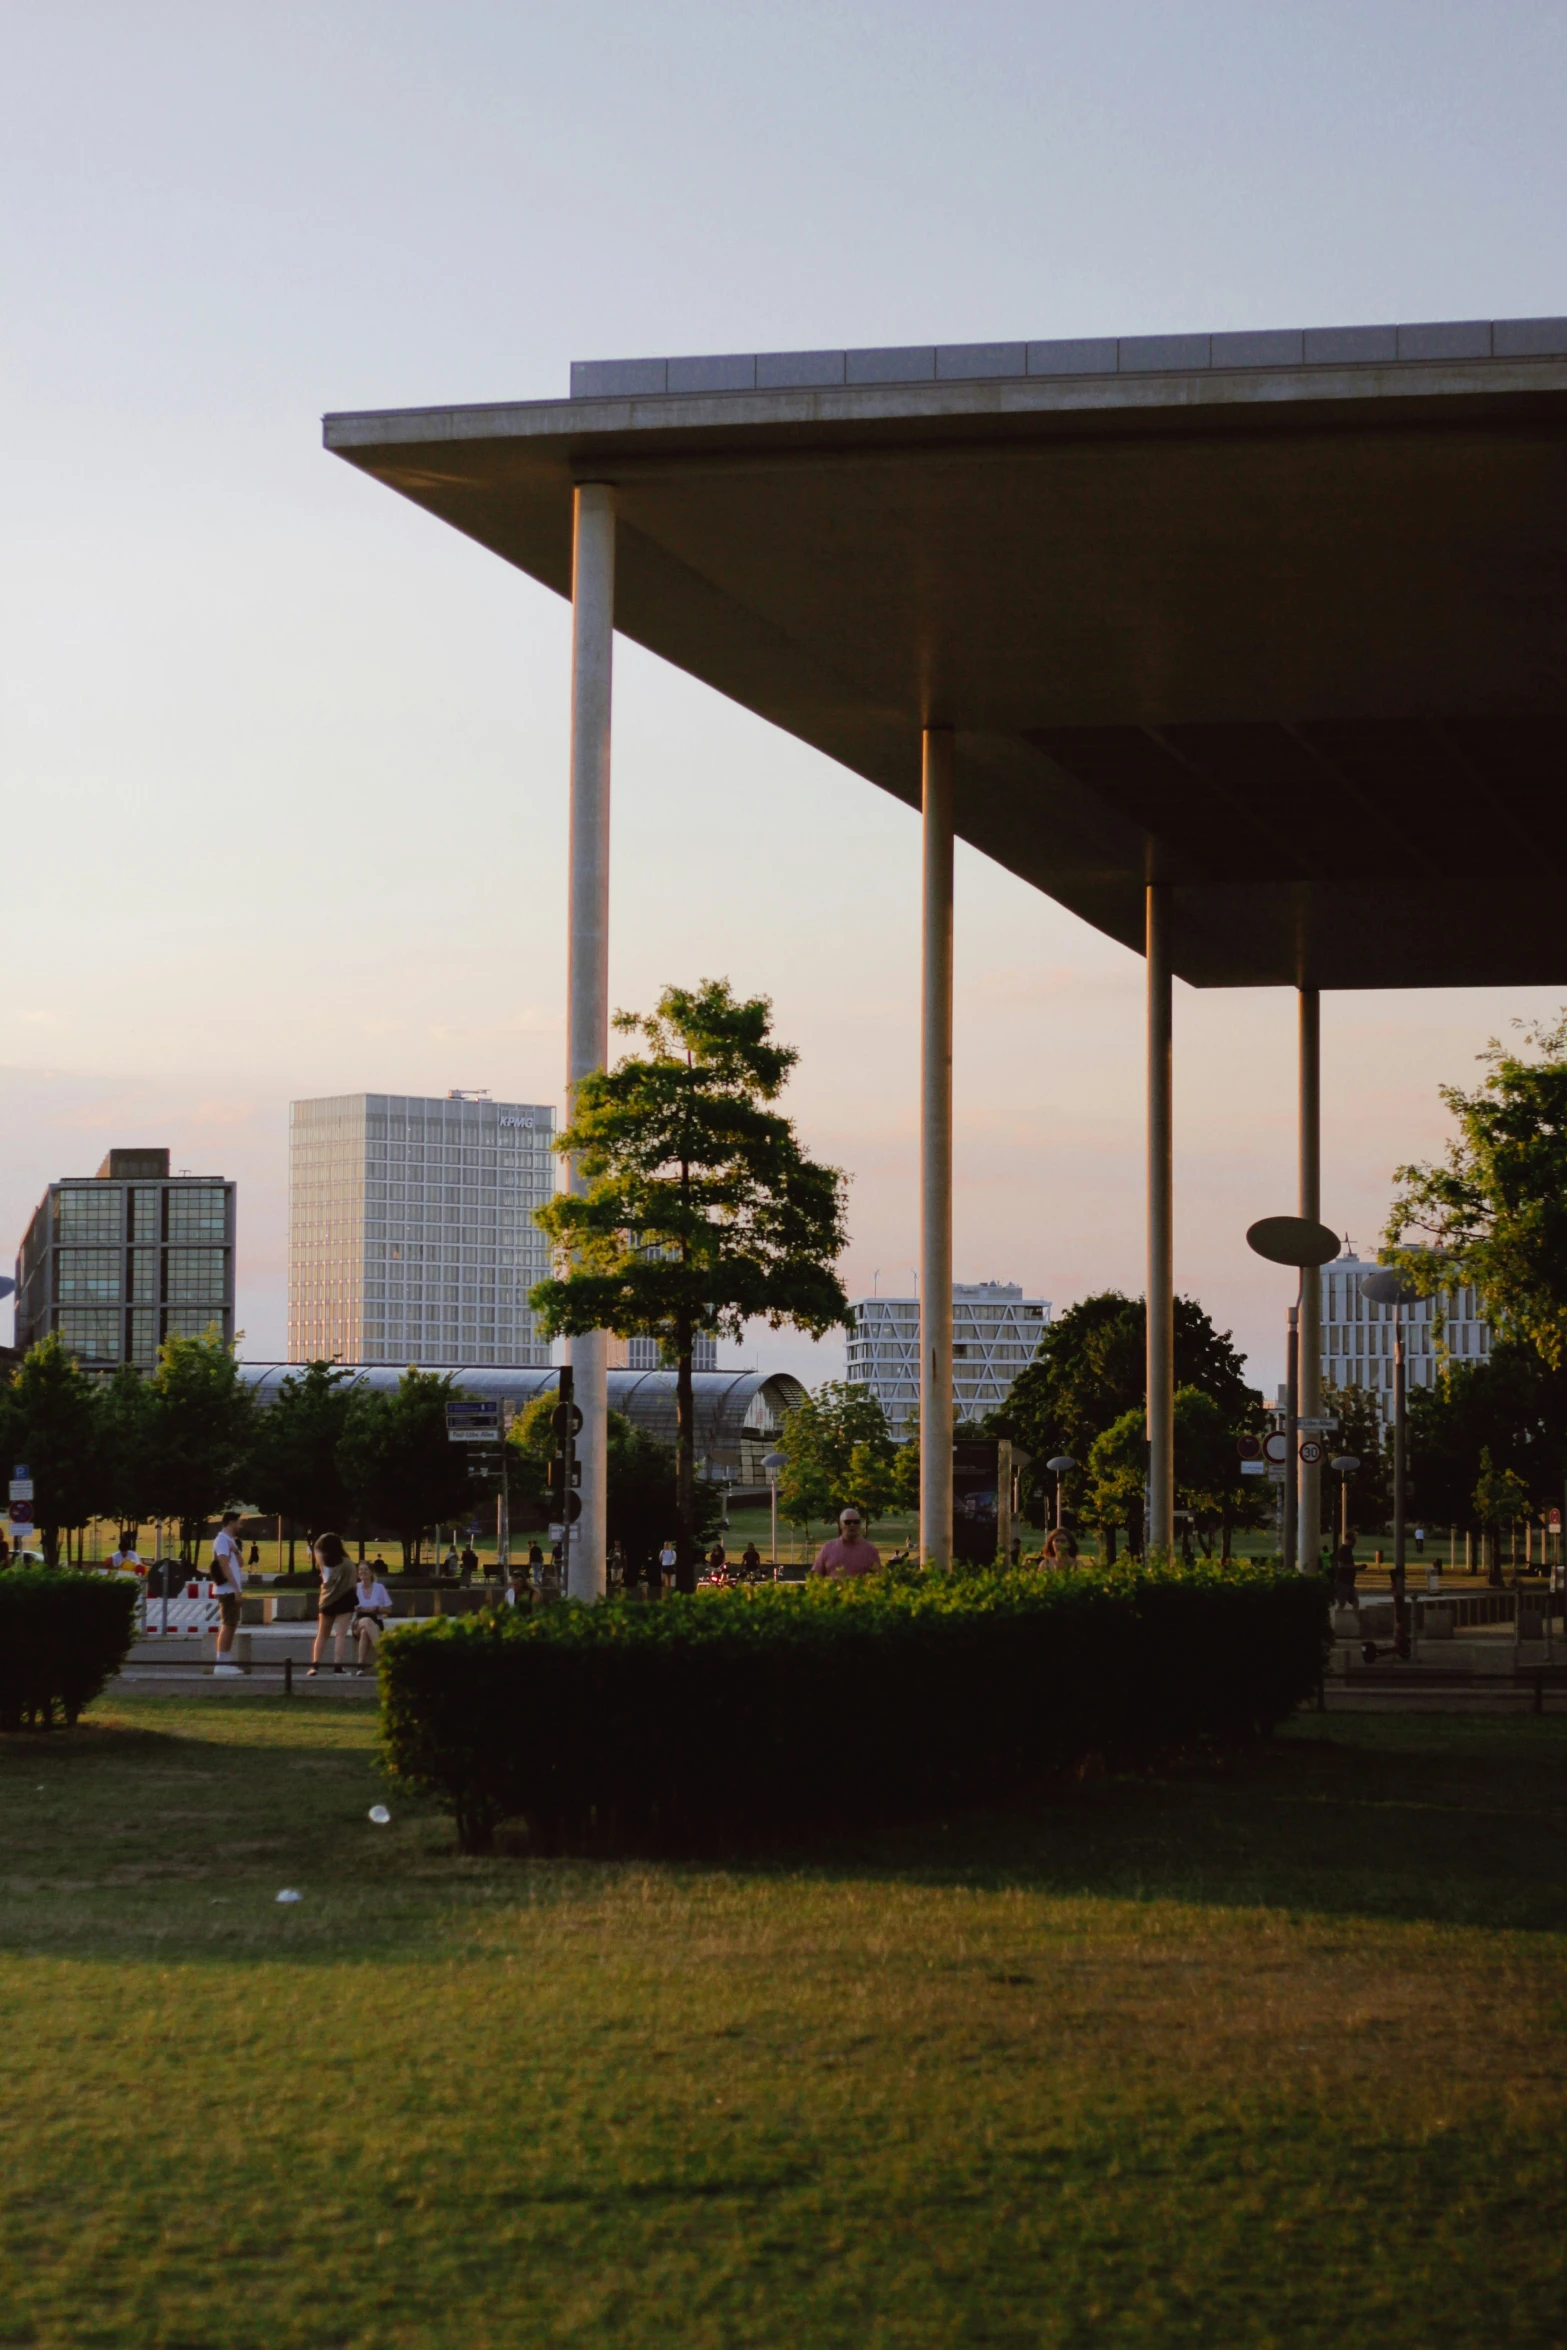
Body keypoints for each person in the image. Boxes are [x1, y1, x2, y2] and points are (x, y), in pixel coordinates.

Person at [307, 1531, 358, 1676]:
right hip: (345, 1599)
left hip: (326, 1600)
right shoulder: (348, 1564)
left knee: (322, 1634)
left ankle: (315, 1666)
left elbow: (316, 1549)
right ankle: (338, 1667)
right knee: (340, 1634)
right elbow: (353, 1584)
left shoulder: (323, 1563)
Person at [211, 1509, 246, 1677]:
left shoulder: (230, 1541)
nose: (241, 1525)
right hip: (227, 1589)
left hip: (232, 1589)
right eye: (239, 1522)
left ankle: (225, 1660)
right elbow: (224, 1565)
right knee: (227, 1624)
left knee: (231, 1625)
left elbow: (240, 1563)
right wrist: (236, 1589)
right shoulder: (221, 1541)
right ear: (231, 1522)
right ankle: (221, 1663)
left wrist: (235, 1550)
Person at [811, 1508, 882, 1579]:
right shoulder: (828, 1548)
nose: (852, 1525)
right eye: (847, 1522)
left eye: (856, 1522)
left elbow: (879, 1578)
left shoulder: (870, 1550)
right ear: (840, 1524)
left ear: (860, 1524)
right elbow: (816, 1576)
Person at [350, 1561, 393, 1673]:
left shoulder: (379, 1588)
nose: (362, 1572)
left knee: (365, 1632)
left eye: (365, 1569)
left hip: (376, 1620)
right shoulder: (355, 1588)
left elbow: (389, 1609)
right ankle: (383, 1655)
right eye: (360, 1570)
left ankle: (360, 1666)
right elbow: (349, 1607)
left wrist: (377, 1609)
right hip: (358, 1621)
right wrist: (359, 1609)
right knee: (366, 1621)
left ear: (371, 1573)